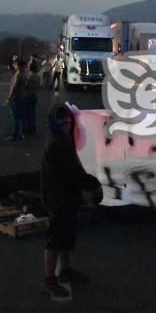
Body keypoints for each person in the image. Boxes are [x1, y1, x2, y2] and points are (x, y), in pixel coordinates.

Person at [40, 104, 100, 300]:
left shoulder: (63, 137)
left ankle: (65, 269)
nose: (66, 125)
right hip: (59, 198)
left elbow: (75, 166)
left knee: (67, 234)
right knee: (55, 238)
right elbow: (73, 172)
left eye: (68, 122)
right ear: (54, 123)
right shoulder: (57, 143)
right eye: (62, 122)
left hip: (67, 195)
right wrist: (93, 183)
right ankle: (49, 280)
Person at [6, 59, 28, 141]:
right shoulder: (24, 74)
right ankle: (23, 134)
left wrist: (9, 98)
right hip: (23, 97)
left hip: (17, 98)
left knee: (15, 117)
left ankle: (15, 135)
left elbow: (14, 87)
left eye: (15, 64)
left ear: (19, 66)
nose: (14, 66)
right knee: (22, 117)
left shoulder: (17, 75)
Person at [25, 55, 41, 135]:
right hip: (35, 95)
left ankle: (29, 128)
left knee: (28, 113)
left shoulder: (29, 77)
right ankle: (33, 128)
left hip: (28, 96)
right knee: (33, 112)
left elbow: (26, 87)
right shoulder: (37, 77)